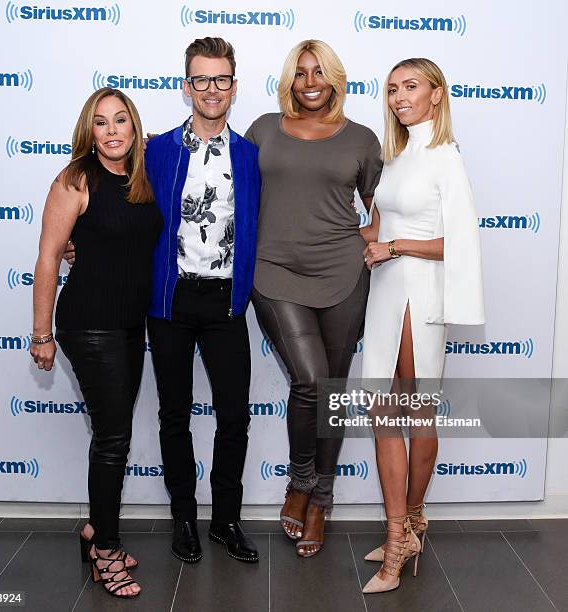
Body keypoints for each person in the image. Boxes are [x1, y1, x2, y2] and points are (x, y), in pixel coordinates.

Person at [245, 40, 383, 557]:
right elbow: (222, 187)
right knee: (308, 380)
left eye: (319, 72)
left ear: (335, 79)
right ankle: (299, 482)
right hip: (274, 270)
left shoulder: (363, 139)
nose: (309, 82)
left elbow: (379, 207)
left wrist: (373, 241)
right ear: (290, 80)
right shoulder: (262, 129)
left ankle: (322, 499)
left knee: (332, 387)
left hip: (343, 273)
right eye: (300, 73)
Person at [359, 58, 485, 593]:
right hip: (387, 290)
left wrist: (395, 246)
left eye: (410, 87)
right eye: (391, 89)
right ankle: (404, 526)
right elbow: (377, 224)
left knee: (411, 409)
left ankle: (403, 529)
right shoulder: (399, 154)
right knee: (382, 408)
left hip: (420, 292)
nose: (398, 97)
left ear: (436, 94)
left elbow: (459, 243)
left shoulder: (445, 156)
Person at [30, 87, 162, 598]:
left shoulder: (141, 180)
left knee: (112, 434)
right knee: (113, 439)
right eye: (101, 122)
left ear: (135, 128)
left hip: (131, 325)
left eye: (121, 121)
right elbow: (47, 257)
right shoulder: (75, 180)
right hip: (88, 325)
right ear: (89, 131)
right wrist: (41, 333)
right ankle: (106, 549)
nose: (111, 131)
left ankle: (94, 529)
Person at [144, 37, 260, 563]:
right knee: (174, 415)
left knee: (234, 415)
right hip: (170, 301)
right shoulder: (157, 150)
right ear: (185, 85)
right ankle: (184, 519)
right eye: (201, 79)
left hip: (225, 303)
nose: (211, 89)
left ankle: (226, 520)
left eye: (221, 79)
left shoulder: (251, 156)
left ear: (233, 87)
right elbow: (123, 210)